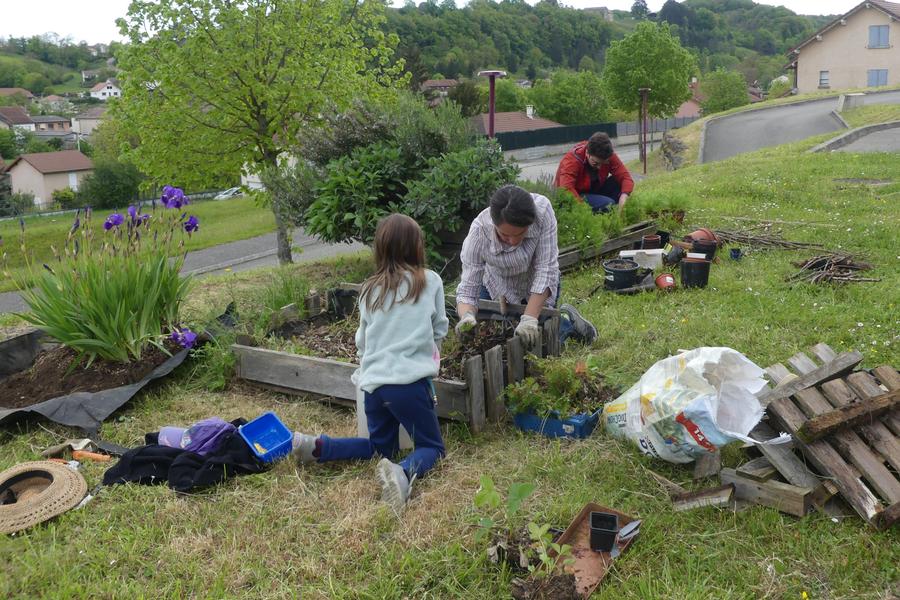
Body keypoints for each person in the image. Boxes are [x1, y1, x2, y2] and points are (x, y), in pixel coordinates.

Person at [292, 214, 449, 514]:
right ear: (417, 246)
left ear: (381, 248)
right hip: (409, 385)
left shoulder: (368, 289)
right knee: (432, 447)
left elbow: (362, 340)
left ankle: (319, 447)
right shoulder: (429, 280)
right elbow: (439, 328)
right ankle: (402, 473)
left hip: (373, 386)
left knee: (379, 447)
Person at [455, 184, 597, 347]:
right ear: (494, 224)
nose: (514, 241)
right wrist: (466, 315)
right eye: (505, 235)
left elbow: (546, 269)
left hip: (535, 283)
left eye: (521, 233)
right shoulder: (479, 233)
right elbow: (468, 289)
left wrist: (529, 318)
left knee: (540, 343)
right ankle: (542, 319)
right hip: (497, 283)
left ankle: (566, 322)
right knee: (492, 337)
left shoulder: (542, 212)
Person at [554, 131, 634, 214]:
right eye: (595, 163)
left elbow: (626, 177)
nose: (599, 167)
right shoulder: (572, 160)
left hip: (593, 191)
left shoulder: (608, 155)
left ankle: (614, 213)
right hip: (577, 195)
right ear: (587, 153)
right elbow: (566, 189)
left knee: (618, 182)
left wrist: (624, 196)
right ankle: (603, 215)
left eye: (603, 163)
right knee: (607, 203)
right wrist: (582, 210)